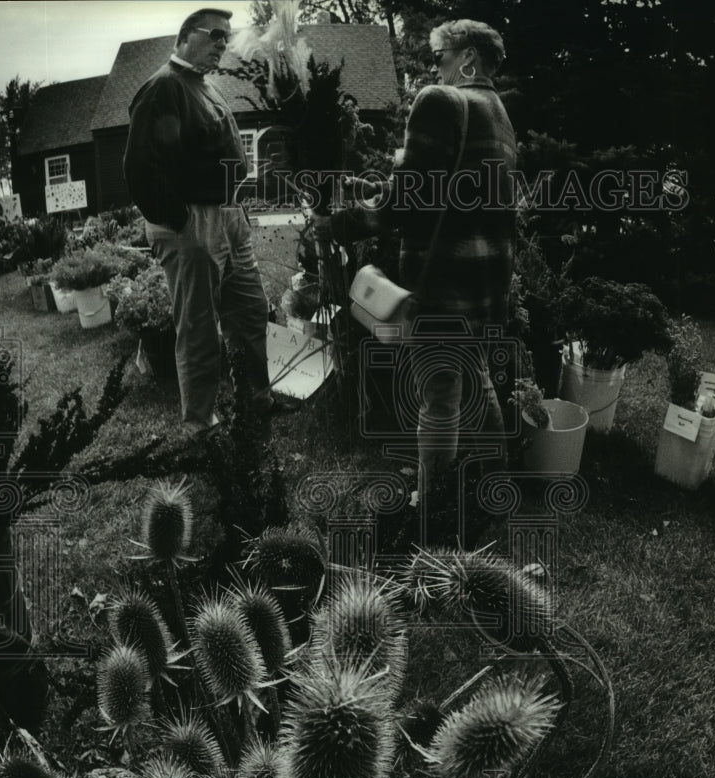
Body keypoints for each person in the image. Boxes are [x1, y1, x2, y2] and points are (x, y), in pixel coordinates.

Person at [323, 19, 517, 499]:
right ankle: (497, 476)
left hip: (445, 282)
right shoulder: (498, 111)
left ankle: (430, 504)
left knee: (439, 397)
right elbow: (447, 191)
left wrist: (345, 223)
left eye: (439, 56)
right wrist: (375, 190)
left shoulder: (439, 100)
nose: (434, 66)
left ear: (467, 58)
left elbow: (411, 201)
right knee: (470, 373)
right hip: (488, 281)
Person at [123, 7, 297, 439]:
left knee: (251, 312)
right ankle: (201, 424)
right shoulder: (163, 87)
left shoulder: (204, 86)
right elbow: (139, 168)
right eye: (216, 35)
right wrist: (181, 222)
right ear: (186, 36)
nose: (224, 43)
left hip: (228, 216)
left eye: (227, 36)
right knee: (200, 329)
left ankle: (256, 399)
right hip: (193, 224)